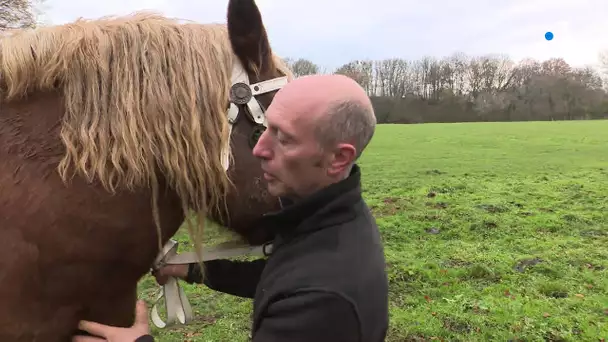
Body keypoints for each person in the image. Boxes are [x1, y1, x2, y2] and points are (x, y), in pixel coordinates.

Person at [74, 74, 389, 342]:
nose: (260, 149)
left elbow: (298, 286)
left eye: (285, 139)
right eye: (267, 128)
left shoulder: (322, 304)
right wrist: (190, 270)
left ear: (338, 158)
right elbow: (279, 275)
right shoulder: (328, 220)